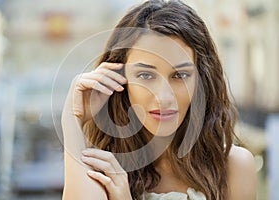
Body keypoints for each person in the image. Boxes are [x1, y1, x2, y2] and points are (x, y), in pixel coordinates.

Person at [61, 0, 257, 199]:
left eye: (180, 75)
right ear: (119, 76)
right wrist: (71, 117)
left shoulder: (234, 167)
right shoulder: (103, 169)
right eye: (146, 76)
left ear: (201, 81)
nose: (164, 98)